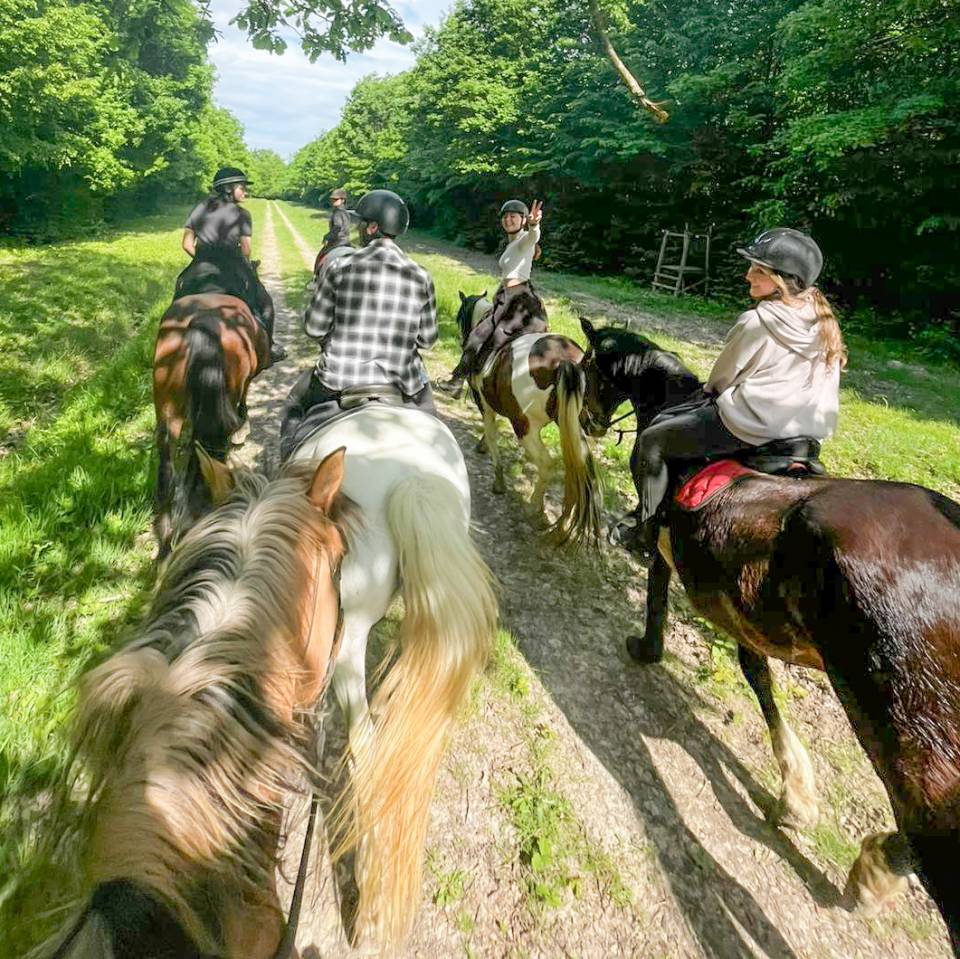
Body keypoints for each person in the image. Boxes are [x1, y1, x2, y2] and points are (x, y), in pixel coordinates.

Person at [618, 227, 846, 562]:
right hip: (805, 438)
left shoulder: (758, 322)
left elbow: (721, 380)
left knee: (653, 441)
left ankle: (645, 532)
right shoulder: (823, 319)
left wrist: (708, 393)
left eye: (758, 270)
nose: (747, 275)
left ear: (782, 280)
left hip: (750, 428)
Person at [280, 189, 438, 460]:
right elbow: (428, 340)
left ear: (372, 227)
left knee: (294, 405)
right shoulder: (421, 275)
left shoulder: (340, 267)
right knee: (436, 435)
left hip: (340, 380)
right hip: (403, 383)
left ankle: (285, 469)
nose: (357, 230)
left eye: (361, 223)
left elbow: (314, 328)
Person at [436, 198, 547, 398]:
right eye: (505, 216)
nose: (508, 220)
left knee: (477, 335)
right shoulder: (513, 244)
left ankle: (457, 381)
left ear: (523, 220)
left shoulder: (524, 240)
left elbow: (534, 236)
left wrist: (534, 224)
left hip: (516, 299)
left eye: (513, 216)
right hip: (510, 296)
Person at [176, 166, 286, 362]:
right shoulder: (242, 214)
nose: (245, 191)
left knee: (177, 298)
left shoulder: (199, 207)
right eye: (241, 187)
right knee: (265, 304)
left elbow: (186, 244)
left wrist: (202, 259)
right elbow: (245, 249)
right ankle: (268, 349)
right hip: (232, 269)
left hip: (200, 267)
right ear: (228, 188)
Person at [313, 187, 354, 275]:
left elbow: (337, 227)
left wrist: (327, 236)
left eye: (336, 199)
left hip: (337, 242)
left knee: (320, 256)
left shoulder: (337, 213)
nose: (333, 201)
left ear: (343, 200)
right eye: (332, 199)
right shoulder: (346, 213)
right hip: (347, 241)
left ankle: (315, 278)